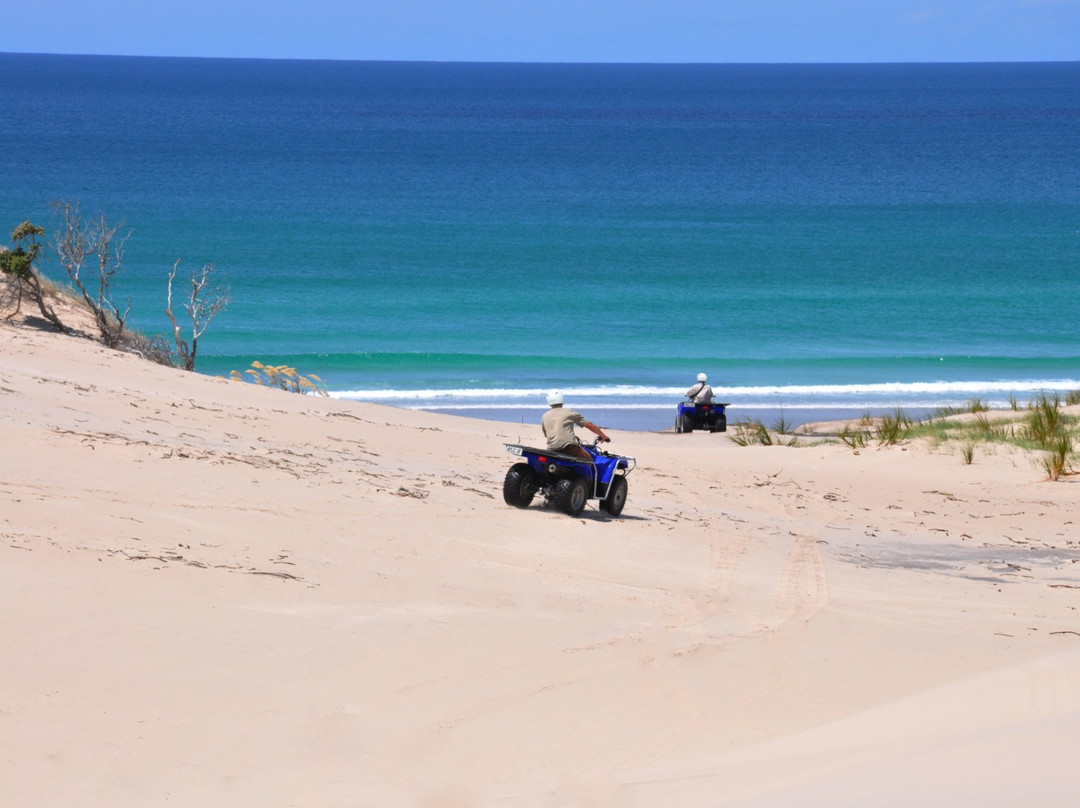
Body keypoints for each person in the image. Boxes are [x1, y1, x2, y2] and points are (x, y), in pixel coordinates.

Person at [541, 390, 610, 460]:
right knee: (589, 460)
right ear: (562, 399)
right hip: (569, 448)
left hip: (552, 449)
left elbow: (546, 434)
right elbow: (590, 425)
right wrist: (603, 436)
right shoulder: (569, 412)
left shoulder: (545, 416)